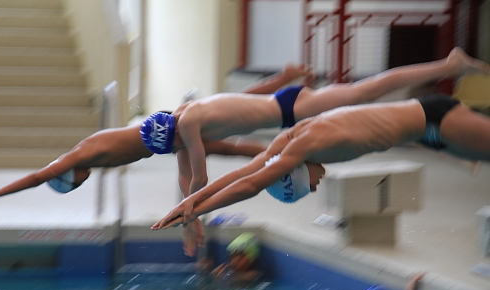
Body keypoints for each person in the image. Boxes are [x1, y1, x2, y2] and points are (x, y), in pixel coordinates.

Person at [140, 48, 490, 206]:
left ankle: (448, 65)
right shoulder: (184, 122)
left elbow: (200, 177)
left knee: (369, 91)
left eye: (172, 147)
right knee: (378, 115)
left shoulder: (189, 126)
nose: (175, 152)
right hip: (286, 110)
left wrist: (192, 209)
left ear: (172, 134)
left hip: (293, 108)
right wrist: (188, 209)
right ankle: (453, 145)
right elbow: (190, 175)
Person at [0, 63, 313, 216]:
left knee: (233, 125)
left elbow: (37, 177)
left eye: (74, 184)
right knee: (233, 121)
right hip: (164, 140)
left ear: (68, 175)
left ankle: (288, 110)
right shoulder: (87, 159)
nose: (81, 183)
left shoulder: (78, 156)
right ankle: (288, 135)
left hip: (163, 133)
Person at [152, 90, 490, 230]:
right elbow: (248, 171)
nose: (317, 187)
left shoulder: (303, 146)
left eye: (309, 187)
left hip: (434, 120)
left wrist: (195, 211)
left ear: (294, 174)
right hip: (429, 133)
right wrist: (191, 201)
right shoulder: (284, 145)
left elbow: (252, 184)